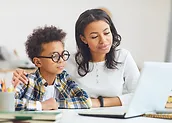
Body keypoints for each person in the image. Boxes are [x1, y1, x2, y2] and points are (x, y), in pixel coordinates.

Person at [12, 9, 140, 108]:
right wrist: (22, 74)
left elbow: (141, 95)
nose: (103, 41)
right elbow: (46, 67)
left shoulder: (123, 56)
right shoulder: (70, 60)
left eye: (107, 33)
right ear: (83, 39)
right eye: (94, 36)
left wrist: (99, 102)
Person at [12, 26, 92, 111]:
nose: (61, 60)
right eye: (55, 56)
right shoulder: (27, 81)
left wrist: (56, 103)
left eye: (63, 54)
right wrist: (41, 105)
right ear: (38, 62)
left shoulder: (64, 79)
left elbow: (86, 101)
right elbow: (6, 103)